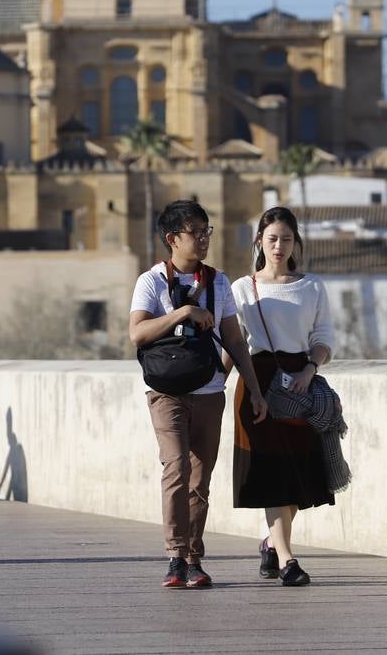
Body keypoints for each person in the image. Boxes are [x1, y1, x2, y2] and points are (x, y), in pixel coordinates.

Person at [129, 200, 268, 589]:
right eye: (196, 232)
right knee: (176, 469)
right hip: (165, 392)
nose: (205, 238)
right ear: (173, 239)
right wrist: (181, 314)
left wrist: (254, 390)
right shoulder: (151, 282)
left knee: (200, 480)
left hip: (209, 390)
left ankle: (193, 558)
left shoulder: (218, 282)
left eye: (208, 230)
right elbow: (137, 333)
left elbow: (236, 342)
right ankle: (175, 555)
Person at [229, 206, 350, 587]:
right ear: (259, 243)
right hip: (257, 383)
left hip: (300, 385)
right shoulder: (242, 288)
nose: (278, 246)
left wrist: (309, 371)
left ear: (296, 242)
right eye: (271, 239)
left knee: (298, 476)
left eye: (285, 238)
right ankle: (287, 560)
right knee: (271, 475)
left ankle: (270, 542)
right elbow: (233, 343)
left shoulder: (311, 285)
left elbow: (324, 337)